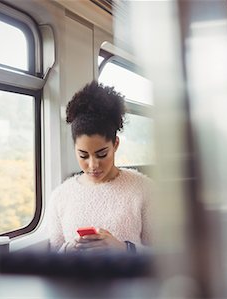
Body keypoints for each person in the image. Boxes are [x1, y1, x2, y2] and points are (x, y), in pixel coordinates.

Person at [47, 81, 152, 254]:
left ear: (115, 144)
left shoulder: (143, 189)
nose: (93, 165)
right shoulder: (60, 197)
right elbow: (54, 260)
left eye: (102, 154)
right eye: (83, 155)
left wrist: (124, 249)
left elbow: (163, 259)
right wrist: (67, 250)